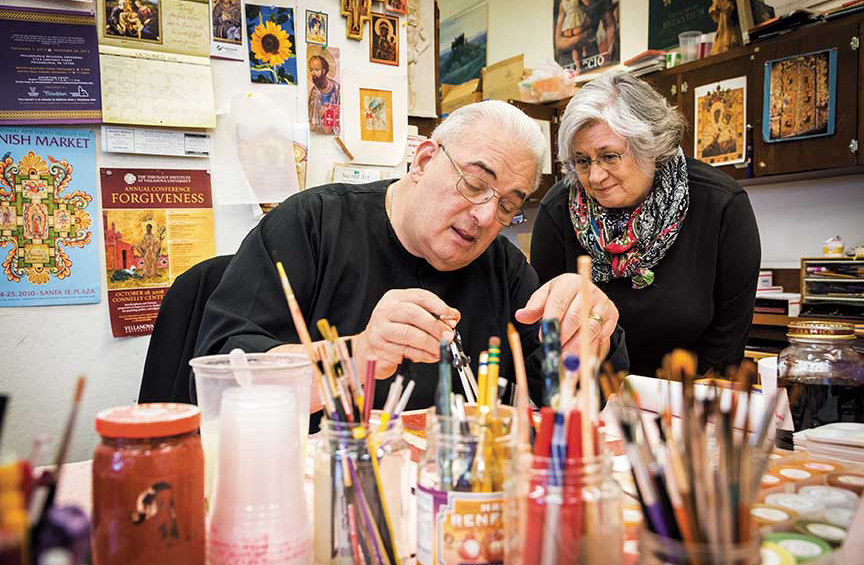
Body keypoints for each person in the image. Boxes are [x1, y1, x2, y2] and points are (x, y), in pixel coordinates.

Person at [195, 100, 627, 418]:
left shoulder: (504, 266)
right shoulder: (310, 224)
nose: (484, 215)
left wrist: (586, 333)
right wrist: (356, 355)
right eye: (475, 183)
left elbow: (558, 392)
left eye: (507, 205)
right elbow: (222, 381)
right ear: (423, 160)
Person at [530, 71, 760, 378]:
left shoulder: (721, 204)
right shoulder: (557, 210)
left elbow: (727, 344)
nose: (595, 176)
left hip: (688, 397)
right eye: (582, 161)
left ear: (650, 145)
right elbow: (548, 335)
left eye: (609, 156)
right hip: (594, 396)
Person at [308, 54, 340, 135]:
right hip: (318, 134)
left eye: (317, 70)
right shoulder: (314, 92)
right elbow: (311, 118)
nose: (313, 73)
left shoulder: (336, 88)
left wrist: (329, 111)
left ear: (324, 71)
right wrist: (320, 113)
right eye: (311, 70)